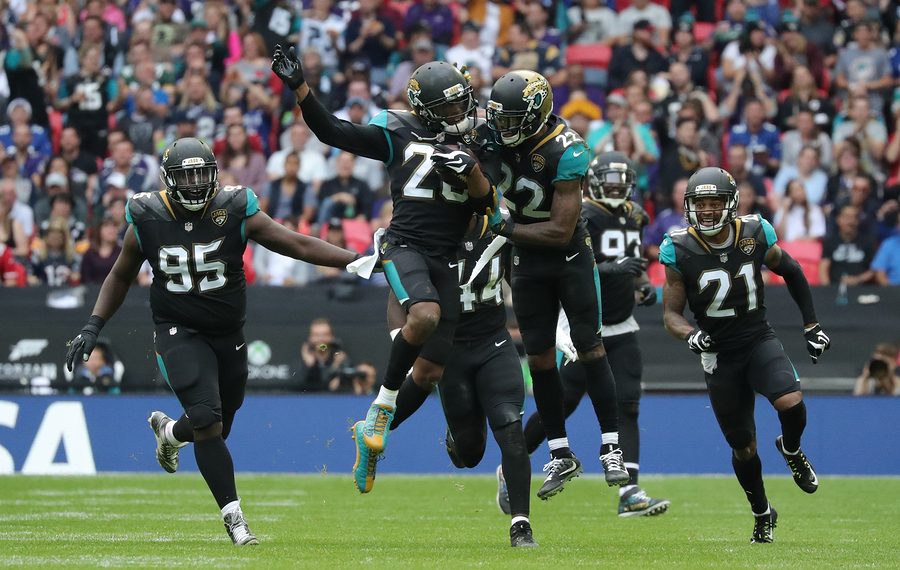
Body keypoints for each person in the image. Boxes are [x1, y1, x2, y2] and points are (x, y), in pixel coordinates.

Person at [64, 137, 362, 546]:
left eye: (201, 174)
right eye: (185, 176)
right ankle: (235, 520)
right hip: (177, 329)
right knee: (206, 419)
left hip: (227, 333)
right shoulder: (148, 216)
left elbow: (295, 243)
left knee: (219, 423)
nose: (195, 184)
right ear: (169, 180)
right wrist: (93, 326)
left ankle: (169, 434)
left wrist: (354, 259)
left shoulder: (234, 208)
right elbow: (119, 274)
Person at [272, 46, 496, 492]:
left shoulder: (480, 138)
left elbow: (487, 205)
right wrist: (301, 88)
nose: (462, 109)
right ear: (426, 111)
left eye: (462, 99)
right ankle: (382, 405)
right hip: (405, 244)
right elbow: (333, 131)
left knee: (431, 372)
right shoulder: (397, 129)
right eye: (449, 105)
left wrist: (472, 172)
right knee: (425, 315)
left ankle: (370, 436)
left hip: (448, 258)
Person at [464, 70, 628, 499]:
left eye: (512, 118)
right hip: (526, 263)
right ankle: (559, 452)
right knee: (540, 361)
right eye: (499, 118)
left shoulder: (566, 149)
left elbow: (558, 231)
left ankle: (610, 445)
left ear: (536, 114)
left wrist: (500, 225)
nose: (502, 127)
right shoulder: (494, 136)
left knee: (590, 346)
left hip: (568, 257)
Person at [660, 167, 831, 543]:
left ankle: (790, 448)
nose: (706, 211)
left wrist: (811, 325)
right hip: (719, 353)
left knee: (791, 401)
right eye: (700, 204)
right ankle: (762, 511)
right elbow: (671, 314)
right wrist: (692, 335)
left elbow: (793, 270)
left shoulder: (754, 233)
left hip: (756, 338)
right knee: (743, 446)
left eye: (714, 203)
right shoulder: (678, 247)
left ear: (730, 205)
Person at [522, 153, 669, 517]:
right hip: (584, 326)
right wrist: (617, 269)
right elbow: (572, 267)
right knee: (561, 403)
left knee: (629, 405)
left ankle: (629, 492)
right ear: (596, 182)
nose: (618, 188)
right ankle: (512, 463)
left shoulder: (636, 215)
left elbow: (632, 263)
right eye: (611, 180)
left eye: (623, 181)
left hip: (622, 324)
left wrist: (643, 283)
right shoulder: (584, 213)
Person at [385, 215, 537, 547]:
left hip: (494, 343)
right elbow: (398, 295)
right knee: (469, 453)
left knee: (510, 427)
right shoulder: (427, 235)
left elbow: (523, 283)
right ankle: (451, 432)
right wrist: (403, 337)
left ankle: (521, 526)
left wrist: (547, 327)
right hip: (449, 352)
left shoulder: (502, 229)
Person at [819, 205, 876, 286]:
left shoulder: (868, 241)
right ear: (838, 220)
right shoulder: (830, 241)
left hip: (862, 289)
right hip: (835, 289)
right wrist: (828, 289)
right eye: (846, 217)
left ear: (858, 221)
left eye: (854, 217)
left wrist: (857, 279)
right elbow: (823, 267)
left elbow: (874, 269)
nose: (850, 222)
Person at [296, 318, 350, 392]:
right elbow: (298, 388)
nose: (321, 339)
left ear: (332, 337)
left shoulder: (340, 358)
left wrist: (336, 365)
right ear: (310, 338)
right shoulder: (301, 360)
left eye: (325, 335)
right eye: (316, 335)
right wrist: (311, 366)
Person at [80, 215, 122, 285]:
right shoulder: (90, 254)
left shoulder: (122, 253)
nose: (111, 230)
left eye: (114, 226)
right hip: (93, 293)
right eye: (106, 226)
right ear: (99, 230)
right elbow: (85, 278)